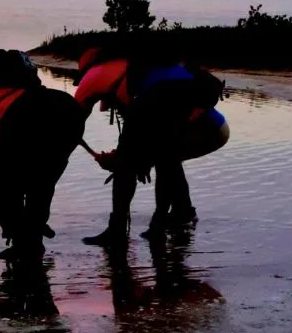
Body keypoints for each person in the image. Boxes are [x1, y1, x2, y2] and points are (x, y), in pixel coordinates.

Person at [74, 45, 229, 246]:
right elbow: (145, 134)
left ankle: (118, 230)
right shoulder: (138, 68)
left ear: (87, 68)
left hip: (182, 116)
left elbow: (72, 119)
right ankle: (166, 222)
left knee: (127, 167)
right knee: (166, 160)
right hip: (207, 121)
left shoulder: (94, 76)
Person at [0, 49, 84, 259]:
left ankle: (24, 245)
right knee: (40, 182)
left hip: (23, 118)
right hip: (69, 111)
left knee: (4, 188)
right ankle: (34, 234)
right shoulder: (12, 92)